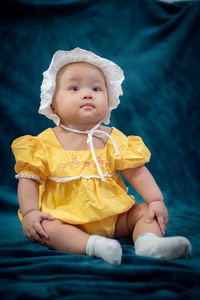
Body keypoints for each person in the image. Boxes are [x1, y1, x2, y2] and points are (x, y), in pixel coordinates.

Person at [11, 48, 191, 266]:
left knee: (144, 212)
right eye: (74, 88)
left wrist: (156, 200)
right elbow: (29, 180)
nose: (87, 94)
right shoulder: (42, 144)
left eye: (96, 88)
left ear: (109, 98)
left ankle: (147, 243)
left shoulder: (112, 139)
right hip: (65, 220)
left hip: (115, 218)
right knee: (47, 229)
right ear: (52, 104)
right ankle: (95, 246)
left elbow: (136, 172)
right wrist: (30, 212)